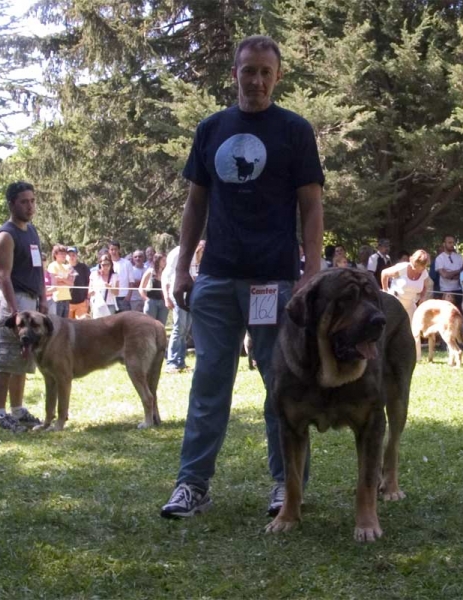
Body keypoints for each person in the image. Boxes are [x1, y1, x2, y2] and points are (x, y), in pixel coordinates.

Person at [160, 35, 324, 519]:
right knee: (209, 382)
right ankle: (192, 485)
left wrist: (311, 269)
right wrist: (185, 265)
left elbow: (311, 204)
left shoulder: (295, 130)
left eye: (264, 72)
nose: (255, 80)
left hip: (273, 281)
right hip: (215, 279)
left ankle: (286, 486)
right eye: (247, 70)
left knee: (281, 383)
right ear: (234, 73)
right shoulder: (211, 129)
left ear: (277, 77)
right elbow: (196, 202)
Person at [0, 181, 46, 432]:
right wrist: (15, 313)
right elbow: (4, 276)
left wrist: (42, 299)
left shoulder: (31, 231)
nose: (30, 206)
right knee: (5, 360)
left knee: (23, 357)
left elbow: (39, 268)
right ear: (12, 204)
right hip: (13, 301)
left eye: (32, 200)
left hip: (32, 300)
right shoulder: (5, 236)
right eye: (24, 201)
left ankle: (18, 410)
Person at [162, 241, 205, 373]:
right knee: (178, 328)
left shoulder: (199, 256)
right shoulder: (178, 252)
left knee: (185, 329)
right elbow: (166, 275)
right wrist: (166, 297)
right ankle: (172, 362)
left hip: (190, 294)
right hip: (177, 294)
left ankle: (180, 361)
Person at [381, 249, 430, 321]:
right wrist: (385, 291)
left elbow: (425, 286)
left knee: (414, 327)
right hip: (395, 303)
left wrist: (422, 297)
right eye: (418, 265)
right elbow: (384, 273)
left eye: (423, 266)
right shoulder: (402, 268)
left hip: (410, 304)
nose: (420, 269)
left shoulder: (424, 273)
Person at [139, 253, 169, 326]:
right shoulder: (150, 271)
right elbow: (141, 288)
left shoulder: (166, 273)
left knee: (161, 326)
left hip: (163, 302)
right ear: (157, 261)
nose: (165, 262)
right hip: (151, 302)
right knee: (149, 326)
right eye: (163, 260)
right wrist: (147, 299)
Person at [434, 235, 463, 310]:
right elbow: (444, 275)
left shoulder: (459, 257)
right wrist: (457, 271)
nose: (452, 244)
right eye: (449, 242)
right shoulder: (439, 259)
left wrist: (450, 274)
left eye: (453, 242)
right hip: (445, 290)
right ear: (444, 244)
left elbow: (461, 275)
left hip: (458, 290)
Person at [47, 244, 74, 318]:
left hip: (66, 298)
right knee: (57, 320)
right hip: (57, 299)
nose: (64, 255)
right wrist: (65, 281)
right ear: (55, 254)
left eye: (65, 254)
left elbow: (71, 284)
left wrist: (61, 279)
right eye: (61, 253)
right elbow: (54, 281)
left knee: (65, 322)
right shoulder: (52, 265)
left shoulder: (66, 267)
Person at [89, 253, 119, 317]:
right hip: (98, 304)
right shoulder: (94, 275)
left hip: (110, 304)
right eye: (103, 265)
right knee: (97, 325)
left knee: (110, 326)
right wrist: (93, 291)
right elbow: (89, 292)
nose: (105, 267)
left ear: (111, 265)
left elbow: (117, 293)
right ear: (100, 265)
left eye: (107, 265)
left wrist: (110, 288)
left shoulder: (115, 276)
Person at [108, 241, 134, 312]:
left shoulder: (127, 263)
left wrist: (128, 296)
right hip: (111, 298)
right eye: (112, 249)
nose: (113, 251)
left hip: (124, 297)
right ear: (109, 251)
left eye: (115, 249)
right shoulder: (106, 264)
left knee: (126, 322)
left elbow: (131, 281)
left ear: (119, 250)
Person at [66, 246, 91, 319]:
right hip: (67, 303)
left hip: (81, 302)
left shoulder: (83, 267)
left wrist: (88, 298)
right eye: (69, 255)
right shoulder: (63, 267)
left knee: (81, 325)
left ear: (77, 255)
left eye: (73, 255)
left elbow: (89, 283)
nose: (71, 257)